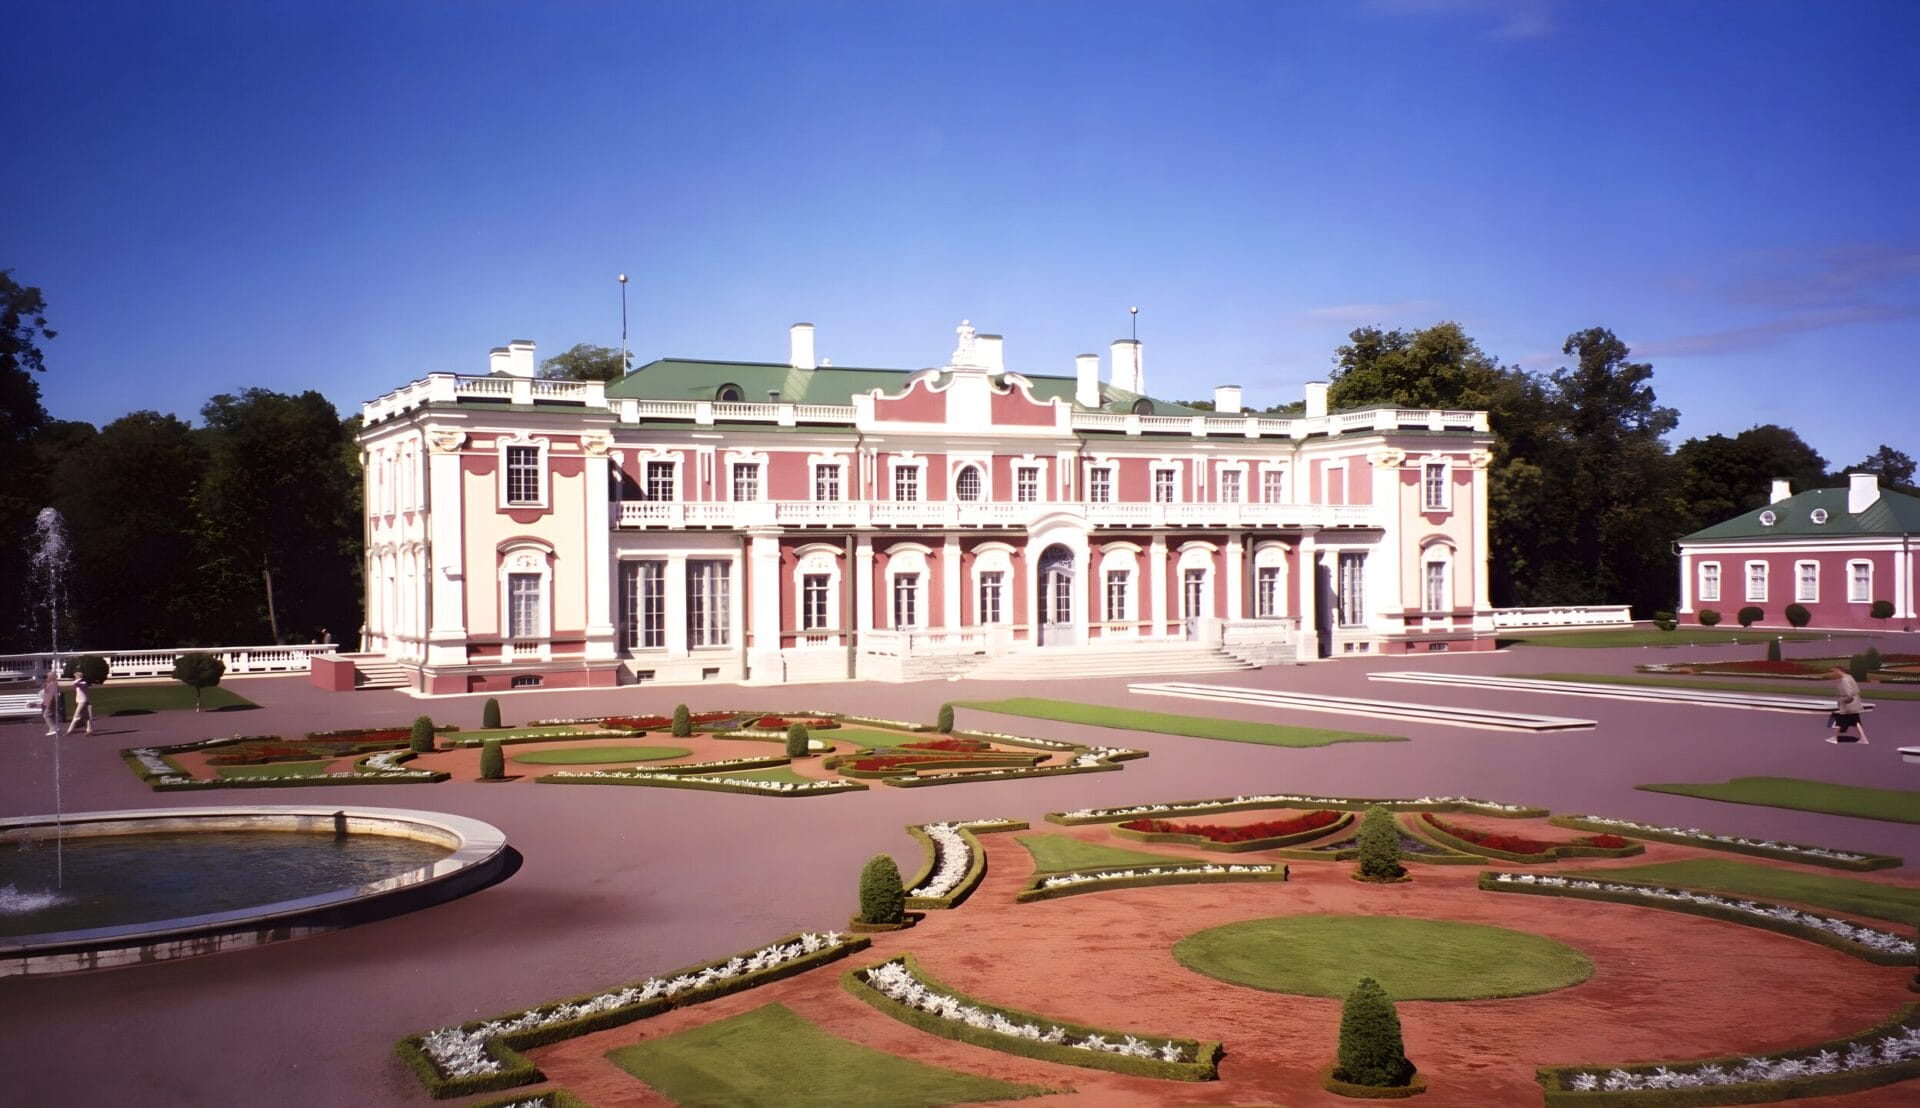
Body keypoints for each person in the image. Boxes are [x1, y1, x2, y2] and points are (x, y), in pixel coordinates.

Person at [1826, 667, 1868, 744]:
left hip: (1848, 704)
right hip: (1855, 703)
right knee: (1856, 721)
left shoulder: (1845, 680)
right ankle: (1864, 738)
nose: (1835, 673)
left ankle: (1835, 738)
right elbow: (1856, 690)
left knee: (1840, 720)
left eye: (1835, 671)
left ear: (1839, 671)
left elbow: (1849, 694)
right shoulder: (1850, 677)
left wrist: (1843, 701)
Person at [65, 671, 94, 736]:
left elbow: (74, 683)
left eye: (76, 676)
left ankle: (69, 730)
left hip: (82, 702)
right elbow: (75, 683)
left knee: (75, 716)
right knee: (86, 717)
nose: (75, 677)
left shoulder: (83, 683)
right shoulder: (80, 683)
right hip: (81, 701)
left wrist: (80, 678)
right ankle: (90, 730)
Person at [40, 670, 61, 736]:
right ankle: (54, 728)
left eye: (48, 676)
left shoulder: (53, 684)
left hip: (51, 703)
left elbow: (52, 695)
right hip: (51, 703)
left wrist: (49, 703)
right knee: (50, 715)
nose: (47, 677)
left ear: (51, 677)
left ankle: (53, 729)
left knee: (46, 715)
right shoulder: (51, 683)